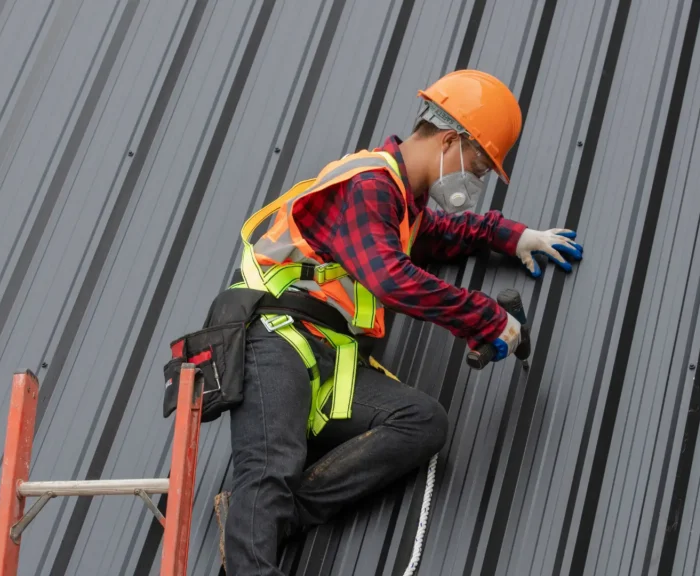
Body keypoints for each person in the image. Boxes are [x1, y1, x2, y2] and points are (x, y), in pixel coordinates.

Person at [220, 69, 584, 575]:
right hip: (276, 337)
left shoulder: (400, 204)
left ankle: (272, 517)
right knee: (270, 466)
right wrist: (483, 317)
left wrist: (513, 236)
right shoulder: (369, 185)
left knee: (422, 422)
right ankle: (255, 544)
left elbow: (440, 236)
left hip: (330, 358)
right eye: (478, 167)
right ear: (451, 140)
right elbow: (392, 278)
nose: (475, 183)